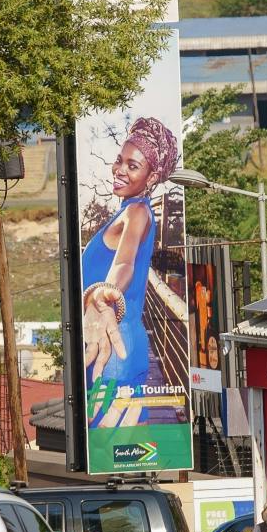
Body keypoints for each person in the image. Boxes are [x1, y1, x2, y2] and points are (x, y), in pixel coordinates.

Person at [81, 116, 179, 408]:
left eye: (132, 166)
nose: (120, 170)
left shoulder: (136, 212)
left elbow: (125, 264)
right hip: (108, 345)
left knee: (113, 447)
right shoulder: (130, 210)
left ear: (151, 178)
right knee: (114, 446)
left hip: (112, 351)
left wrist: (104, 292)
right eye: (119, 160)